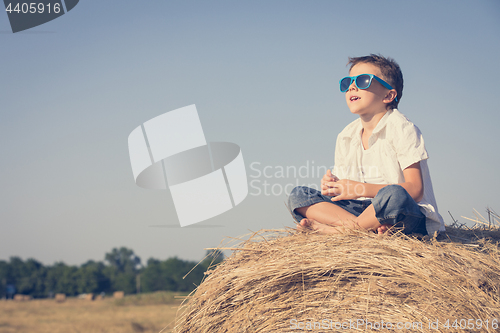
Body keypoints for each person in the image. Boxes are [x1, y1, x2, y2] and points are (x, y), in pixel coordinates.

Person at [287, 54, 445, 236]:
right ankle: (360, 227)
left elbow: (415, 189)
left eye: (363, 81)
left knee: (394, 194)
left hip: (401, 211)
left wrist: (360, 188)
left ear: (389, 95)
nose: (352, 86)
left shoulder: (402, 127)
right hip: (361, 212)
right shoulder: (346, 135)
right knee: (298, 195)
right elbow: (344, 192)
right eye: (347, 82)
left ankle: (342, 232)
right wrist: (333, 185)